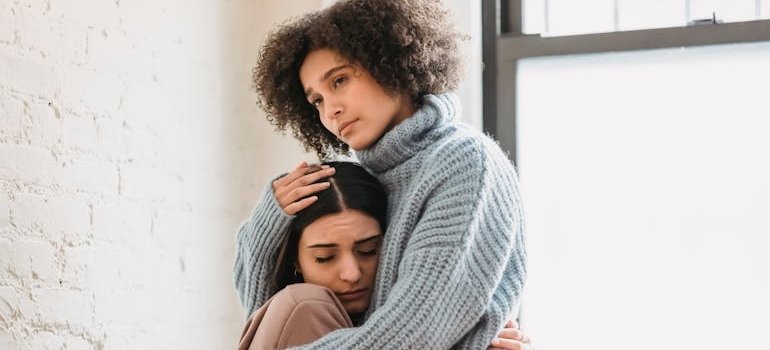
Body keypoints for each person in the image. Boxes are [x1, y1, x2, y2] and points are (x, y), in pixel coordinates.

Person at [235, 0, 528, 349]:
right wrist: (269, 223)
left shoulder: (463, 162)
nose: (331, 110)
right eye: (316, 101)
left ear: (392, 64)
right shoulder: (375, 177)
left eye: (340, 80)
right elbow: (265, 318)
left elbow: (413, 332)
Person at [235, 162, 529, 350]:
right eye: (325, 257)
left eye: (368, 251)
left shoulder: (396, 320)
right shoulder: (304, 307)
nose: (351, 273)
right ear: (295, 262)